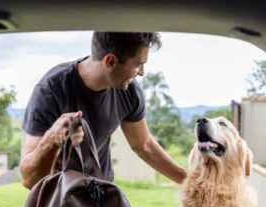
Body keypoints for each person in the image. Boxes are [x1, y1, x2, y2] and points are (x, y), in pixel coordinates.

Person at [19, 32, 187, 189]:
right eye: (138, 64)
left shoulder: (129, 91)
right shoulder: (50, 90)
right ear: (110, 61)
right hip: (57, 199)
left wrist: (190, 182)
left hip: (100, 196)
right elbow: (29, 179)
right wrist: (53, 139)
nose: (142, 73)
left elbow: (143, 145)